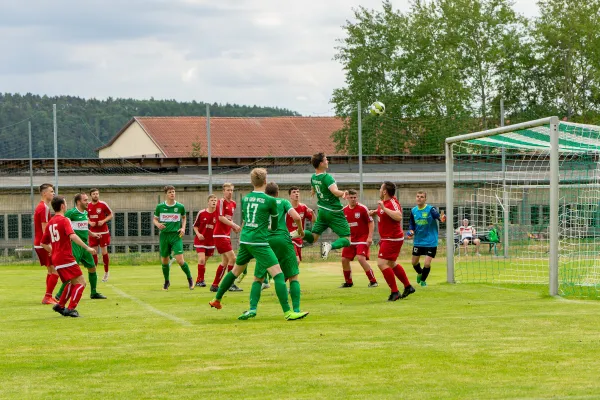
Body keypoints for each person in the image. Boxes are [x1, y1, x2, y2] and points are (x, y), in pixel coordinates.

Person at [208, 168, 309, 321]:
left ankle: (217, 299)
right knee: (279, 274)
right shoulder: (270, 201)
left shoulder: (246, 198)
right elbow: (274, 225)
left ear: (251, 182)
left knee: (235, 271)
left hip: (245, 239)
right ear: (265, 181)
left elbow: (247, 219)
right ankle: (289, 312)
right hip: (259, 242)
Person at [238, 182, 309, 320]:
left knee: (258, 278)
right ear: (278, 192)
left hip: (264, 242)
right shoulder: (283, 202)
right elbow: (297, 217)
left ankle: (252, 309)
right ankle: (296, 309)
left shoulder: (262, 201)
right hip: (283, 240)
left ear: (265, 192)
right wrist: (300, 231)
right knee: (293, 276)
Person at [41, 196, 97, 318]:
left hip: (56, 258)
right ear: (62, 206)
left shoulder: (51, 222)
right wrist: (87, 247)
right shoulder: (64, 219)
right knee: (81, 283)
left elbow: (43, 243)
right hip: (65, 257)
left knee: (72, 282)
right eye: (65, 204)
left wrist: (52, 250)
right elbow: (72, 236)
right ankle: (71, 309)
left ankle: (60, 306)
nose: (66, 206)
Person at [299, 152, 351, 259]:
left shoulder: (313, 177)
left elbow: (313, 189)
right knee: (347, 239)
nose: (328, 161)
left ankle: (297, 232)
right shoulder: (328, 178)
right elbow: (335, 192)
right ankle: (329, 246)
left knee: (313, 238)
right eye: (326, 159)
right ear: (321, 163)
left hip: (322, 211)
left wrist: (314, 191)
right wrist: (344, 193)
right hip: (334, 212)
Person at [369, 181, 415, 301]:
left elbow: (399, 216)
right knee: (391, 264)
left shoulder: (391, 202)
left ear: (384, 191)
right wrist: (376, 211)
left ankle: (395, 292)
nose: (379, 190)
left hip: (392, 239)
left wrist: (383, 208)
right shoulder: (385, 202)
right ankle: (408, 286)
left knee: (381, 263)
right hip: (387, 238)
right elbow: (386, 212)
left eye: (380, 188)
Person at [64, 193, 107, 299]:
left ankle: (93, 292)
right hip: (75, 245)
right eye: (85, 200)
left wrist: (93, 234)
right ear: (78, 202)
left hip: (85, 245)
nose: (88, 202)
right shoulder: (71, 213)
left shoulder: (85, 213)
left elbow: (83, 227)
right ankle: (59, 295)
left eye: (87, 200)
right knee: (72, 271)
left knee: (92, 268)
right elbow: (62, 224)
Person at [153, 185, 194, 291]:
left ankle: (190, 279)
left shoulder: (180, 206)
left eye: (174, 192)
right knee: (165, 261)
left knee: (180, 260)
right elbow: (155, 219)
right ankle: (166, 282)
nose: (172, 194)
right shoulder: (160, 207)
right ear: (166, 194)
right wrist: (158, 225)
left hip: (176, 235)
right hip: (164, 236)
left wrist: (183, 228)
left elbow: (184, 218)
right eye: (170, 192)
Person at [406, 191, 446, 287]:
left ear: (425, 199)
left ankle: (423, 281)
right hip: (418, 241)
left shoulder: (430, 209)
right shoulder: (413, 211)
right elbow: (412, 224)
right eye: (418, 196)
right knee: (414, 262)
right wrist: (410, 231)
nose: (419, 198)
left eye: (422, 197)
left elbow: (439, 217)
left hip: (430, 241)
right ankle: (420, 273)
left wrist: (442, 218)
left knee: (427, 263)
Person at [340, 189, 378, 288]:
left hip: (362, 238)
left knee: (361, 258)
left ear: (357, 197)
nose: (353, 199)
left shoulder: (362, 208)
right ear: (347, 197)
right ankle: (348, 282)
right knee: (344, 259)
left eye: (355, 197)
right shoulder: (344, 210)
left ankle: (373, 281)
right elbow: (342, 226)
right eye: (351, 197)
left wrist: (370, 237)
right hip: (350, 239)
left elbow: (371, 222)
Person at [210, 183, 243, 292]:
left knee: (225, 261)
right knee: (233, 258)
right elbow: (220, 217)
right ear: (223, 191)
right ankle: (230, 284)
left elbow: (228, 218)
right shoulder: (221, 202)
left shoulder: (233, 203)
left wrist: (232, 226)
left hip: (226, 235)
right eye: (228, 190)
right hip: (219, 235)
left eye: (232, 190)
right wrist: (233, 225)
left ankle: (215, 285)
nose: (230, 192)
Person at [34, 183, 60, 304]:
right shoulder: (44, 207)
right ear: (44, 193)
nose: (53, 193)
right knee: (55, 270)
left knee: (51, 270)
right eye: (51, 191)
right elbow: (45, 230)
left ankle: (48, 296)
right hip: (43, 244)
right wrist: (51, 247)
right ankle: (47, 297)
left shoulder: (41, 206)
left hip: (39, 244)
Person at [88, 188, 113, 282]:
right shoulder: (88, 206)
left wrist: (103, 221)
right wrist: (89, 222)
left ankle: (106, 272)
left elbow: (111, 214)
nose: (96, 195)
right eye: (94, 194)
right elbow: (85, 216)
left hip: (103, 233)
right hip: (93, 233)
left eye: (97, 194)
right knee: (93, 253)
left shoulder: (103, 204)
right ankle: (94, 273)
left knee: (104, 253)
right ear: (91, 195)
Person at [193, 194, 218, 287]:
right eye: (212, 200)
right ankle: (200, 280)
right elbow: (195, 226)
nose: (214, 202)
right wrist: (198, 234)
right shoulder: (202, 213)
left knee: (204, 262)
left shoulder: (219, 215)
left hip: (211, 242)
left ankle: (199, 279)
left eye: (215, 200)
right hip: (200, 241)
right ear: (208, 202)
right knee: (202, 260)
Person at [286, 186, 315, 266]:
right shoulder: (286, 208)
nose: (296, 194)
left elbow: (314, 220)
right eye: (294, 192)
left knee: (294, 264)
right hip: (289, 239)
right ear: (290, 196)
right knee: (296, 261)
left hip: (299, 239)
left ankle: (283, 278)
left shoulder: (303, 207)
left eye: (298, 192)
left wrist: (312, 213)